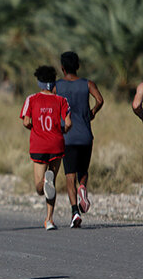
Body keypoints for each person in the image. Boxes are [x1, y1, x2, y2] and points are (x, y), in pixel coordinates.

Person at [20, 66, 72, 231]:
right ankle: (49, 220)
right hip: (57, 143)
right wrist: (62, 130)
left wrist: (36, 129)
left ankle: (43, 185)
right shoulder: (61, 100)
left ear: (39, 82)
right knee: (52, 183)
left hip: (39, 145)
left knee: (39, 187)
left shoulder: (32, 99)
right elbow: (69, 122)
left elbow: (26, 121)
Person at [56, 52, 104, 228]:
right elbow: (100, 100)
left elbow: (51, 102)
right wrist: (91, 113)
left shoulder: (57, 86)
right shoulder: (87, 84)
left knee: (69, 175)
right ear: (78, 66)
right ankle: (82, 188)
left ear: (62, 68)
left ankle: (75, 211)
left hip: (67, 137)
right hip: (85, 135)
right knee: (83, 171)